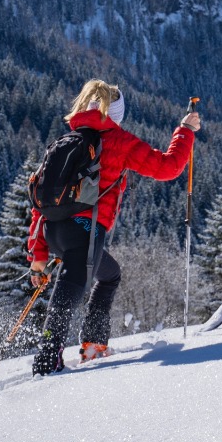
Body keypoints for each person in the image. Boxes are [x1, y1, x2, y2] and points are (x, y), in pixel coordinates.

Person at [28, 79, 198, 375]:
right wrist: (185, 131)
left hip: (53, 233)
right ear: (115, 113)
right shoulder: (118, 140)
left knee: (109, 275)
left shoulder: (64, 143)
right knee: (69, 288)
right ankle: (47, 357)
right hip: (84, 233)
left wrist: (38, 257)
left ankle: (93, 342)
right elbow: (168, 167)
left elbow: (41, 202)